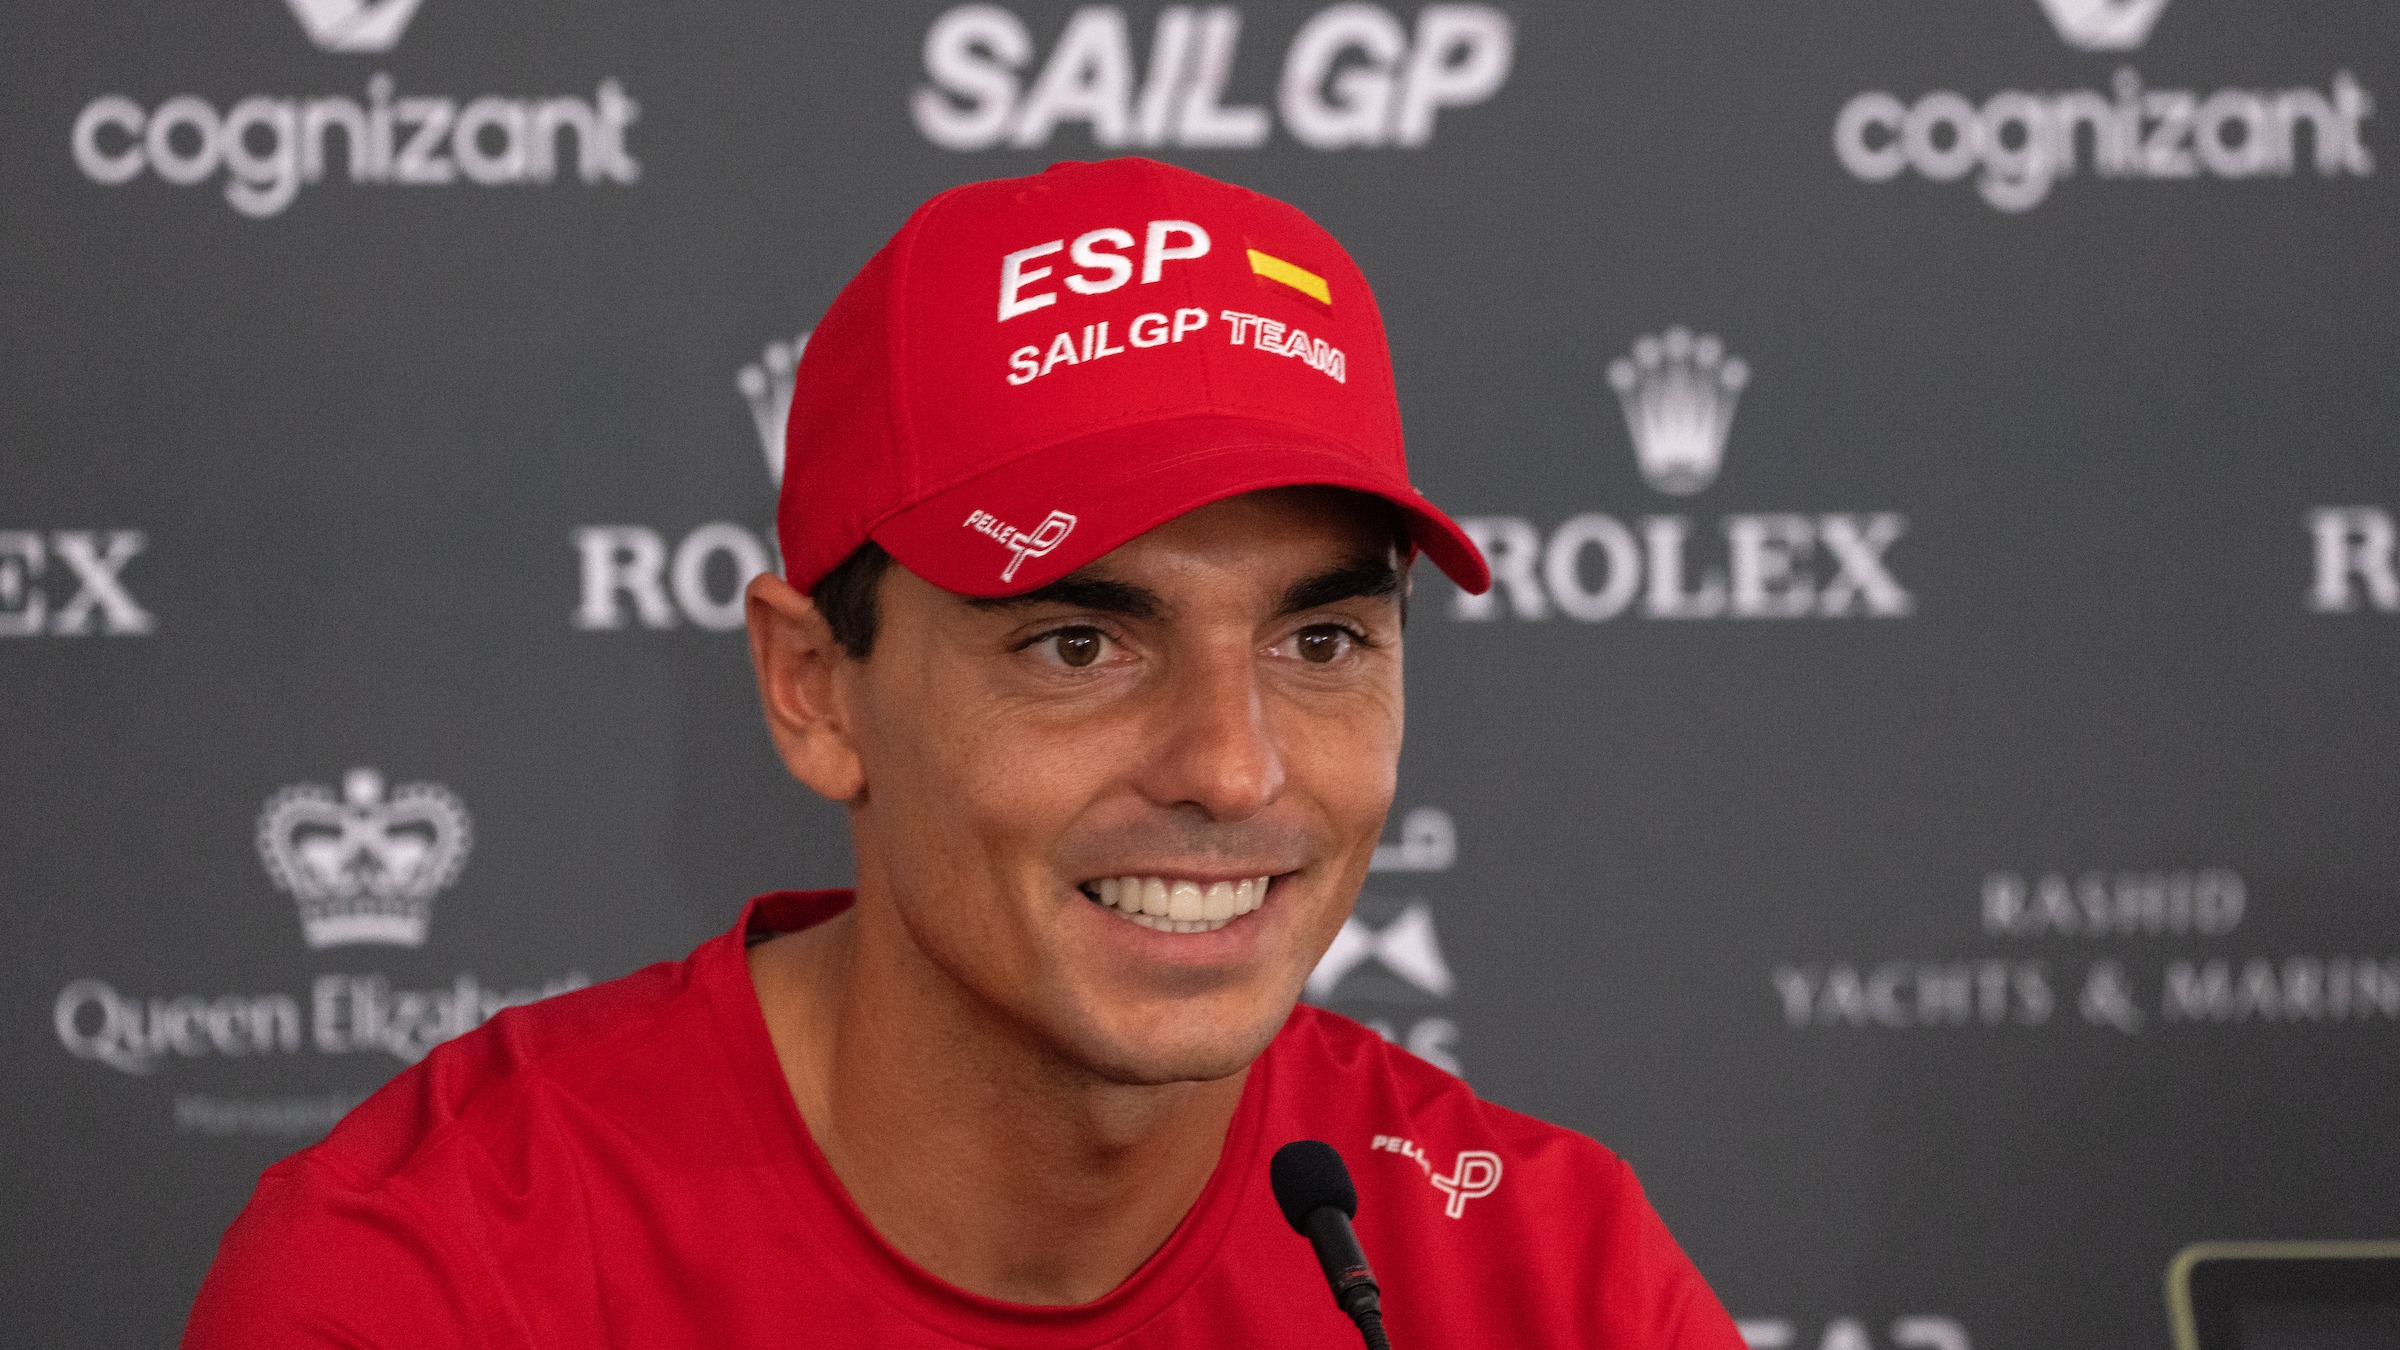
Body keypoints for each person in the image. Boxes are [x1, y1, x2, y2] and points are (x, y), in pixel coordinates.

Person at [185, 158, 1746, 1348]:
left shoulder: (1549, 1278)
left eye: (1322, 640)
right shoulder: (436, 1279)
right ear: (814, 687)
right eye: (1078, 644)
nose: (1232, 769)